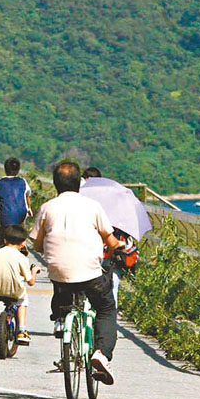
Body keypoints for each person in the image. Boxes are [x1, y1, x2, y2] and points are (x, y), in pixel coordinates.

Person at [30, 161, 121, 385]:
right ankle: (101, 353)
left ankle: (61, 322)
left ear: (55, 184)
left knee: (62, 290)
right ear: (79, 183)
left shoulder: (47, 208)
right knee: (106, 309)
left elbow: (37, 244)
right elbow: (110, 240)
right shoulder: (93, 206)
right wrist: (117, 246)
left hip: (59, 274)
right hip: (90, 274)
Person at [0, 157, 33, 247]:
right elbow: (28, 195)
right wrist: (29, 208)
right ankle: (22, 244)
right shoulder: (23, 182)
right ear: (18, 170)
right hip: (20, 217)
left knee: (2, 231)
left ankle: (2, 242)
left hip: (4, 217)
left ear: (5, 169)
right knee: (21, 229)